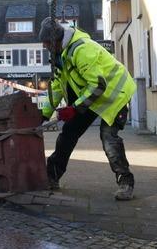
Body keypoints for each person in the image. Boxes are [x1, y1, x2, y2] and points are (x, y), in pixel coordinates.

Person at [38, 18, 136, 201]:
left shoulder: (82, 50)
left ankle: (126, 182)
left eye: (46, 44)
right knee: (68, 134)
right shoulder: (60, 56)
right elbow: (58, 86)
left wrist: (75, 108)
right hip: (91, 97)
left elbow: (98, 85)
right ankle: (51, 176)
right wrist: (43, 114)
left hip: (115, 95)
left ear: (55, 41)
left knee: (109, 138)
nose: (45, 48)